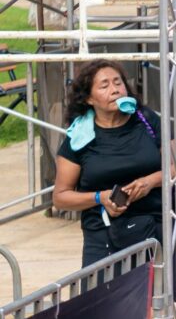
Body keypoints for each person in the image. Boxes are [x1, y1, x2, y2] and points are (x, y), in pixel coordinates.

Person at [51, 61, 166, 268]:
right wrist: (99, 197)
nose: (115, 90)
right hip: (103, 237)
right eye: (104, 86)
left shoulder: (147, 119)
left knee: (158, 288)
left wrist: (150, 182)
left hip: (156, 228)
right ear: (88, 98)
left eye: (118, 83)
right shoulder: (80, 137)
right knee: (104, 290)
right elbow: (60, 197)